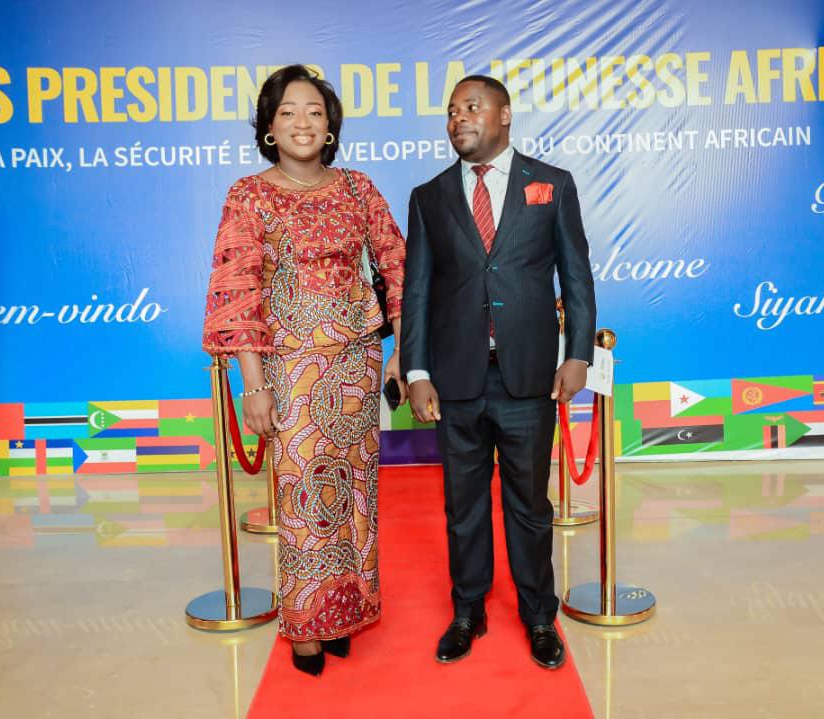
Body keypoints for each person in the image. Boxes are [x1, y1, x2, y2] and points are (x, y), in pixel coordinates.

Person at [201, 64, 407, 677]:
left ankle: (347, 610)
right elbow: (238, 289)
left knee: (354, 492)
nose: (302, 123)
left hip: (358, 362)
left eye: (314, 112)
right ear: (269, 127)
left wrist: (404, 349)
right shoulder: (249, 195)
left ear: (330, 126)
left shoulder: (358, 189)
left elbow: (398, 266)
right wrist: (253, 384)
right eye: (288, 112)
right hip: (290, 368)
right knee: (300, 496)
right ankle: (307, 624)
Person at [400, 75, 596, 669]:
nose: (459, 118)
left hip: (528, 377)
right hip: (455, 379)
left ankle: (539, 617)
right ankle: (468, 611)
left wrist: (577, 354)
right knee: (462, 508)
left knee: (529, 507)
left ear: (504, 115)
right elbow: (417, 291)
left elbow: (576, 276)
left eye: (472, 107)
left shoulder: (552, 184)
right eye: (451, 111)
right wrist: (416, 370)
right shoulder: (429, 196)